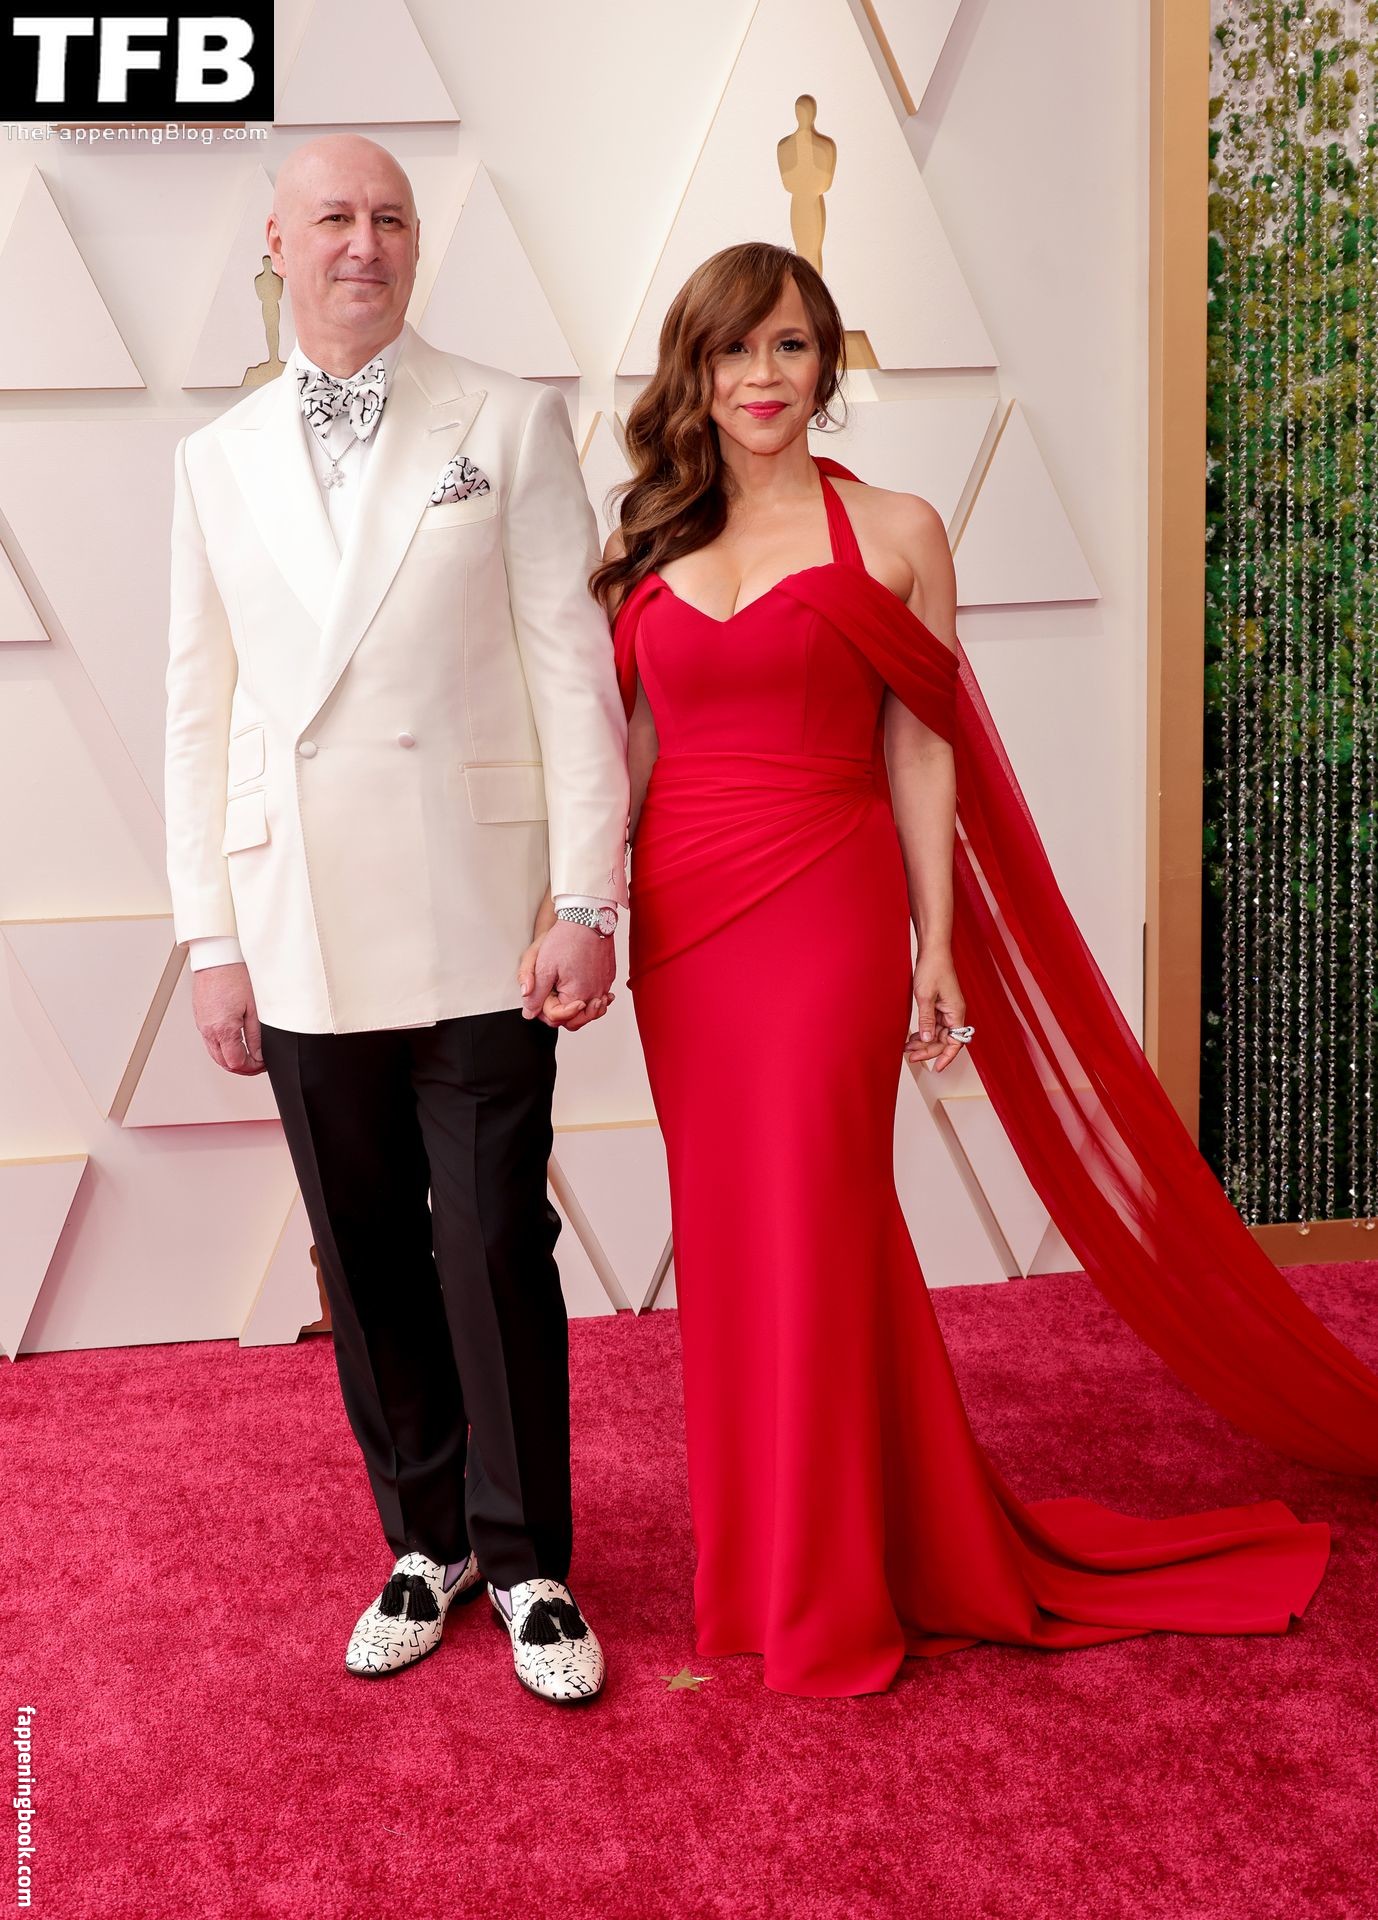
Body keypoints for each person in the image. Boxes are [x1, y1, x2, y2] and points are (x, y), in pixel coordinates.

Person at [594, 241, 1378, 1698]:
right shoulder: (651, 539)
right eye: (732, 350)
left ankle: (834, 1584)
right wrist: (580, 905)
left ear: (828, 362)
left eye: (788, 346)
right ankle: (764, 1567)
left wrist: (938, 942)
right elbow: (630, 754)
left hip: (827, 907)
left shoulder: (896, 529)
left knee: (822, 1219)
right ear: (692, 372)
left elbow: (920, 746)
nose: (761, 377)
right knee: (735, 1235)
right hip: (683, 930)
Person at [163, 134, 628, 1705]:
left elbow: (572, 669)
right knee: (361, 1252)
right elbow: (199, 711)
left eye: (390, 218)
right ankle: (426, 1543)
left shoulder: (503, 416)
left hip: (482, 911)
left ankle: (529, 1557)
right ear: (276, 243)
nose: (363, 243)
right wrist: (211, 937)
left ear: (417, 245)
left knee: (492, 1239)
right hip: (297, 914)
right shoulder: (214, 457)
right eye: (334, 219)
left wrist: (585, 897)